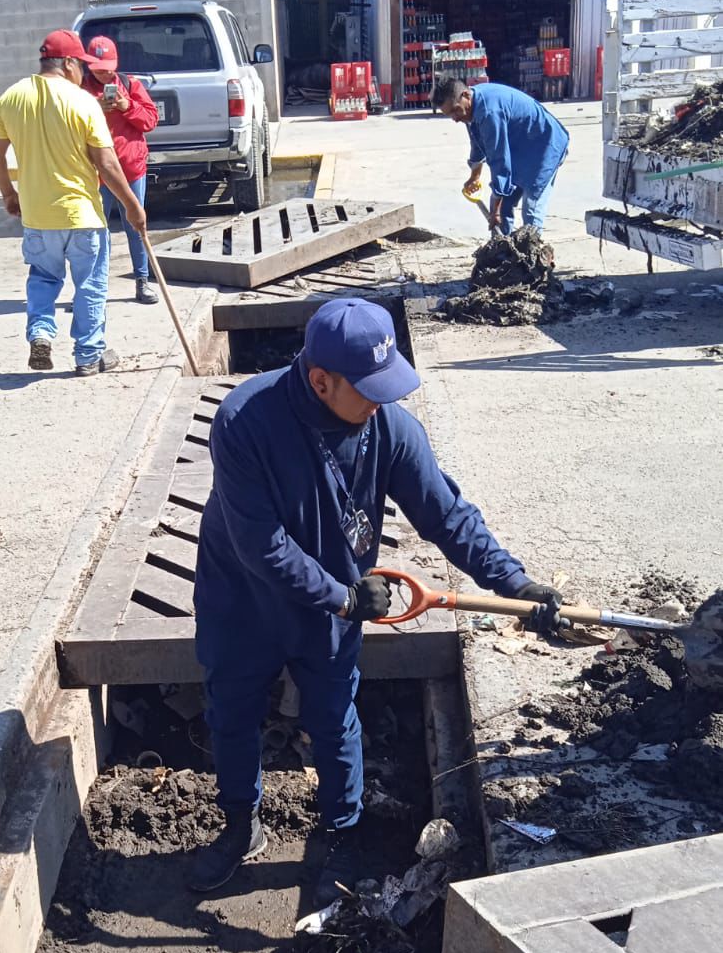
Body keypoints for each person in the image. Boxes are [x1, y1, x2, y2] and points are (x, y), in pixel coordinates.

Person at [189, 297, 561, 902]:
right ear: (320, 381)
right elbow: (261, 545)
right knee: (231, 713)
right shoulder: (244, 421)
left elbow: (447, 517)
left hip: (335, 603)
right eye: (369, 389)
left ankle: (342, 831)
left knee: (335, 718)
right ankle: (240, 827)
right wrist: (341, 597)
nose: (383, 401)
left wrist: (514, 581)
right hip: (244, 600)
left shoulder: (388, 427)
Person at [0, 30, 147, 375]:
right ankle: (89, 355)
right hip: (82, 214)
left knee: (43, 277)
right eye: (82, 67)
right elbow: (106, 163)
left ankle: (41, 332)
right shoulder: (83, 102)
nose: (84, 75)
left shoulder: (11, 98)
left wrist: (8, 194)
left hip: (37, 215)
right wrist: (133, 205)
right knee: (90, 283)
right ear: (70, 63)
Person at [433, 76, 569, 235]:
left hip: (545, 146)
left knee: (531, 208)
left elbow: (500, 162)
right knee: (501, 202)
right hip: (520, 148)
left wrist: (495, 211)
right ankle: (501, 252)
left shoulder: (490, 112)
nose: (455, 118)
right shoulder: (470, 110)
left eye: (455, 110)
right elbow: (477, 142)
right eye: (449, 114)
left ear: (466, 95)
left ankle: (531, 254)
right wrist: (475, 176)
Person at [82, 36, 159, 305]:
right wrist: (95, 109)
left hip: (130, 169)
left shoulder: (130, 85)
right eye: (99, 67)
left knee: (135, 225)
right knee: (95, 231)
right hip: (95, 173)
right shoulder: (80, 93)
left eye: (109, 67)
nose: (105, 72)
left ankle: (142, 281)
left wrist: (128, 107)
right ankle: (94, 289)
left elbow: (150, 120)